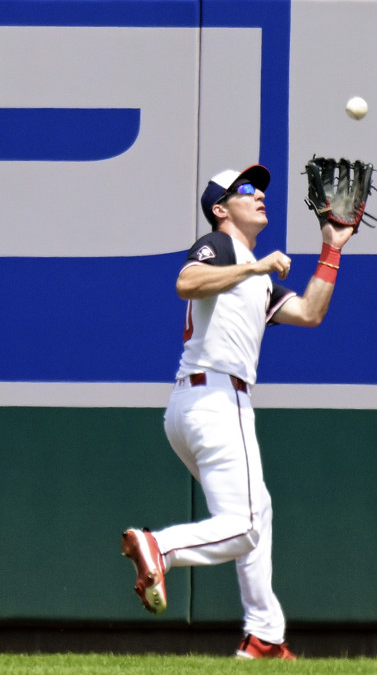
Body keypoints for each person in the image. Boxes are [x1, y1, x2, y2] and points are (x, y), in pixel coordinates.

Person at [121, 164, 353, 660]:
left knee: (256, 514)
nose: (258, 194)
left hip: (201, 404)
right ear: (221, 208)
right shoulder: (223, 246)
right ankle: (160, 548)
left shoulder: (253, 269)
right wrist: (255, 266)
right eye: (245, 189)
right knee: (245, 524)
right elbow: (187, 281)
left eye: (260, 188)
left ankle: (265, 635)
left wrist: (332, 246)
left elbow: (310, 313)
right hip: (215, 401)